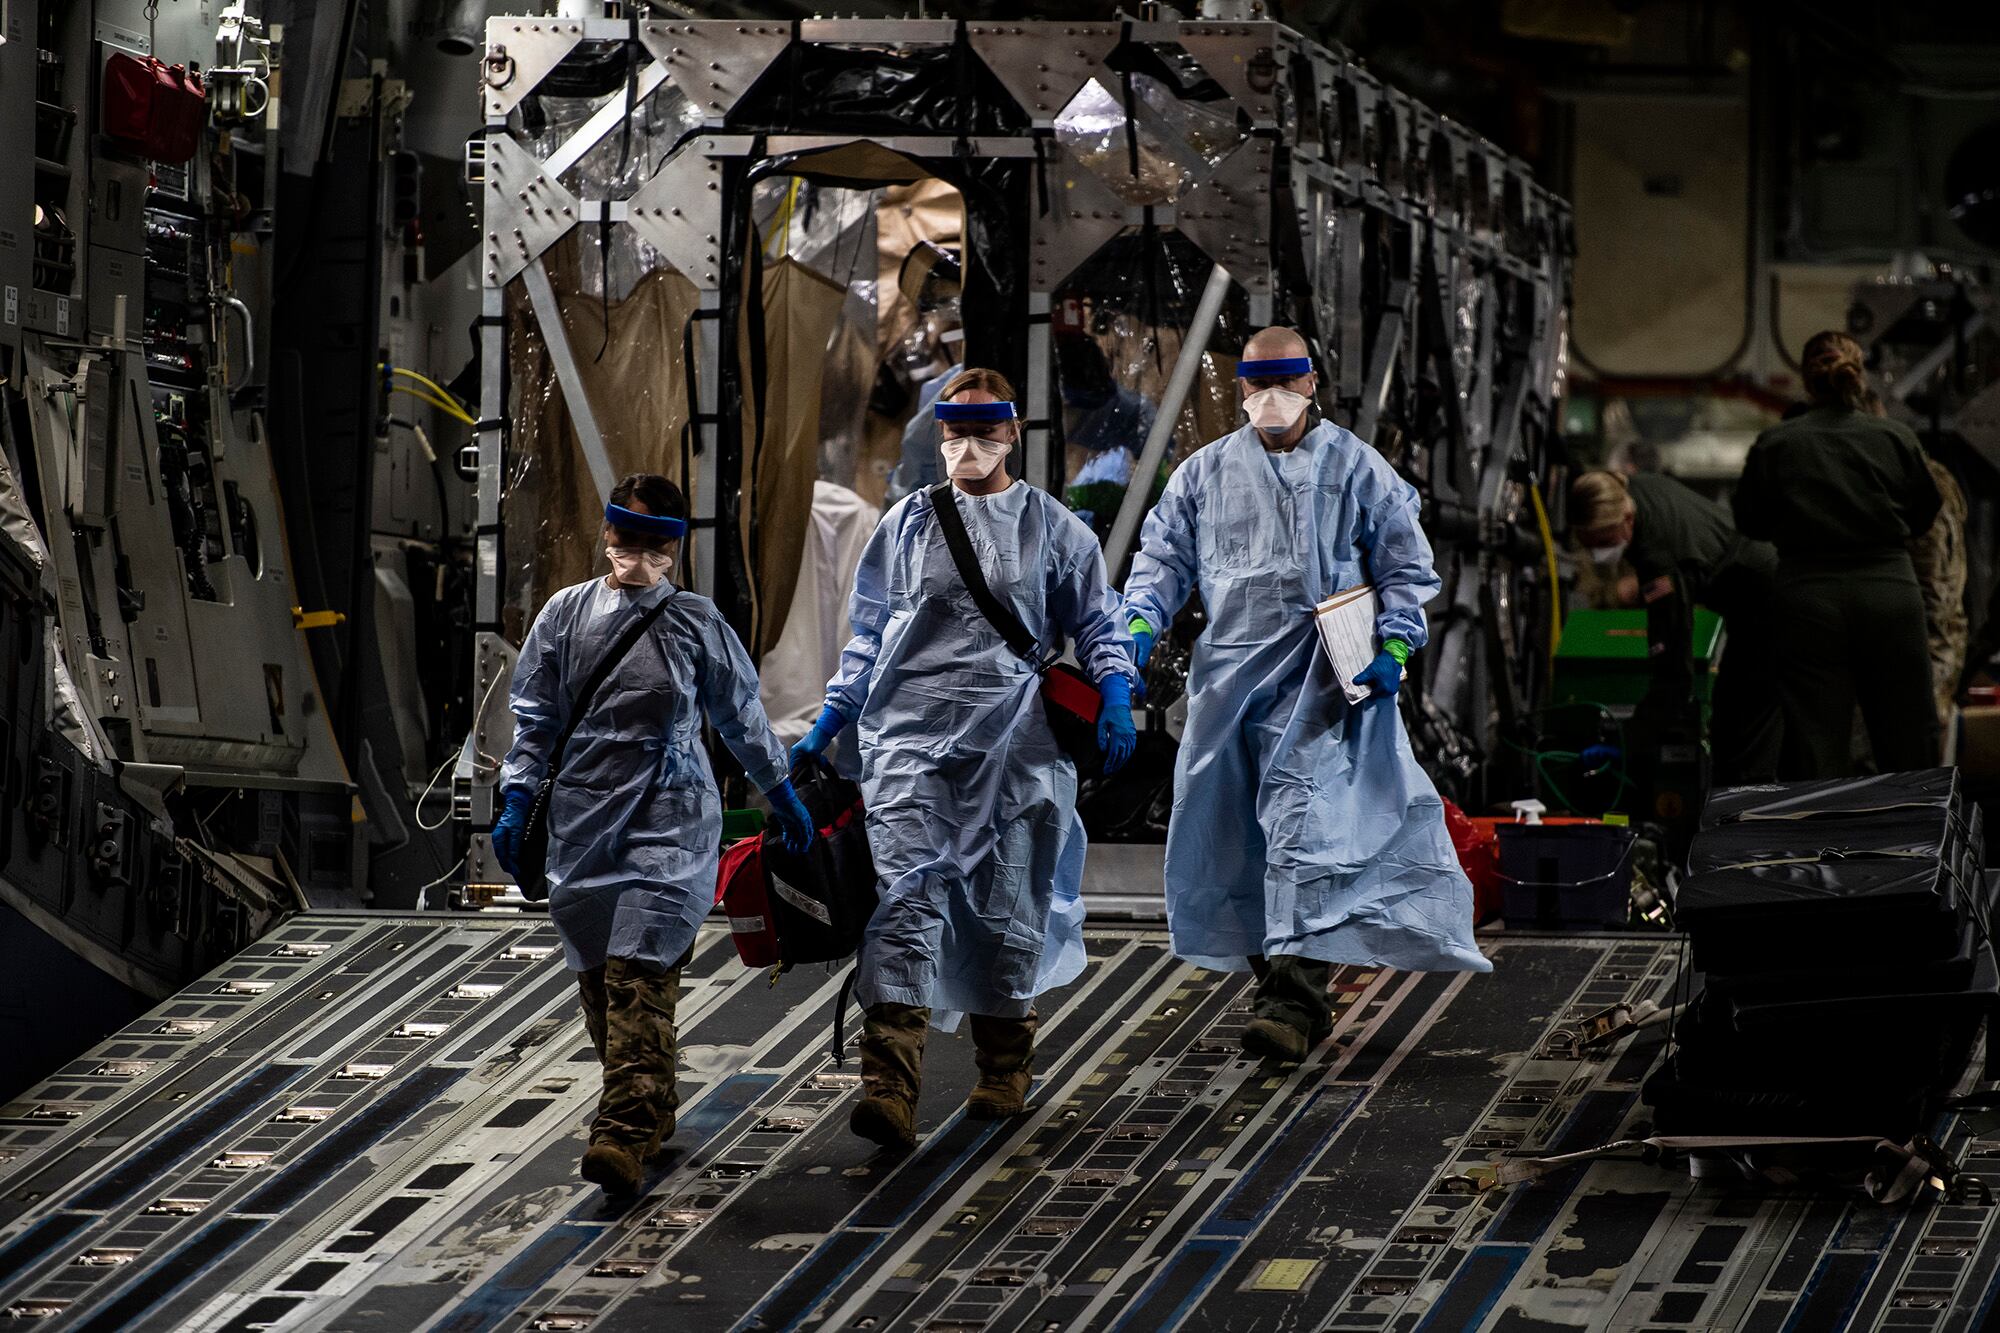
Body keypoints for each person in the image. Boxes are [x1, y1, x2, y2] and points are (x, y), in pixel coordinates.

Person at [791, 368, 1139, 1151]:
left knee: (1003, 908)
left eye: (986, 431)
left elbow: (1098, 623)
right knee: (906, 897)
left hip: (1015, 749)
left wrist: (1115, 689)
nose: (970, 446)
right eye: (956, 431)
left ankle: (1004, 1064)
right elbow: (871, 632)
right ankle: (890, 1085)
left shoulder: (1052, 527)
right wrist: (834, 715)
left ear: (1014, 433)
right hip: (909, 741)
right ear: (938, 435)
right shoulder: (907, 524)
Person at [1121, 327, 1490, 1066]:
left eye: (1285, 379)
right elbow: (1162, 556)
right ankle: (1280, 984)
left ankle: (1292, 1001)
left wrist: (1392, 646)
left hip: (1322, 686)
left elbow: (1405, 566)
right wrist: (1137, 622)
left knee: (1304, 833)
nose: (1270, 396)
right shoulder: (1203, 474)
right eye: (1256, 382)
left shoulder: (1356, 467)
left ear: (1313, 383)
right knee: (1237, 840)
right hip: (1228, 688)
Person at [491, 473, 816, 1195]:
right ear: (605, 534)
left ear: (675, 545)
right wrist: (516, 796)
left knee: (638, 976)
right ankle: (650, 1101)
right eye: (624, 536)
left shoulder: (695, 624)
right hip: (582, 823)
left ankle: (622, 1131)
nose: (635, 553)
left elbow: (741, 716)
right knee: (604, 994)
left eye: (652, 541)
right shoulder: (567, 615)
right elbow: (536, 714)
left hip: (667, 821)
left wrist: (781, 790)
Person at [1733, 331, 1942, 778]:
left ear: (1806, 382)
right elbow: (1926, 512)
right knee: (1907, 734)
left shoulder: (1777, 444)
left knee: (1815, 740)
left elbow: (1748, 520)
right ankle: (1916, 840)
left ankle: (1819, 843)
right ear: (1858, 374)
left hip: (1808, 596)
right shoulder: (1894, 437)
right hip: (1889, 590)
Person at [1569, 469, 1782, 784]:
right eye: (1588, 544)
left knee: (1745, 733)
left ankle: (1750, 819)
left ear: (1627, 519)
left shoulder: (1660, 560)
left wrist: (1630, 740)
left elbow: (1673, 672)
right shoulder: (1633, 487)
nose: (1597, 552)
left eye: (1603, 541)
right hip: (1760, 594)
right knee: (1729, 718)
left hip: (1773, 606)